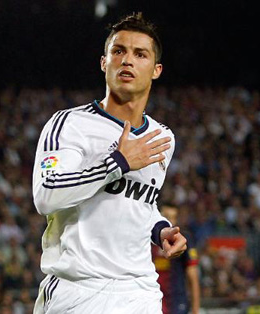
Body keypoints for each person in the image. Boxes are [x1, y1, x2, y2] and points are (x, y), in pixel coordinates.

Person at [32, 12, 187, 314]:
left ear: (156, 70)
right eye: (119, 51)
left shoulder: (162, 137)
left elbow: (140, 204)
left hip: (139, 291)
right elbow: (47, 194)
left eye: (139, 54)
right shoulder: (69, 124)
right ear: (104, 63)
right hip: (78, 291)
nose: (127, 60)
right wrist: (117, 163)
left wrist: (160, 230)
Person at [152, 205, 201, 314]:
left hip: (176, 302)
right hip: (152, 300)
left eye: (172, 217)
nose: (169, 220)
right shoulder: (148, 240)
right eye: (165, 216)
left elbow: (193, 277)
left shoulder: (183, 240)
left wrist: (195, 309)